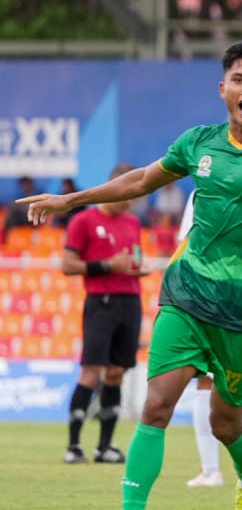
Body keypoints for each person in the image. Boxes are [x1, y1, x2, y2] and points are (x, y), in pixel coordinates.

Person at [21, 39, 242, 510]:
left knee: (224, 423)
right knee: (158, 404)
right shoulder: (198, 143)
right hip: (185, 293)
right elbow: (140, 180)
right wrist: (69, 200)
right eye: (239, 80)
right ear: (223, 89)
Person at [171, 191, 242, 489]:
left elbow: (187, 243)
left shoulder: (202, 190)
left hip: (207, 295)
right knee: (234, 382)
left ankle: (211, 470)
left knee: (207, 383)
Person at [60, 163, 147, 465]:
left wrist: (138, 266)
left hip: (130, 301)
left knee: (116, 373)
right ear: (114, 187)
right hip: (101, 302)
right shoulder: (83, 220)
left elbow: (135, 258)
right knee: (91, 371)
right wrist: (106, 266)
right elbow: (67, 265)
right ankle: (73, 445)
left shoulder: (133, 223)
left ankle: (105, 447)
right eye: (127, 193)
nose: (131, 200)